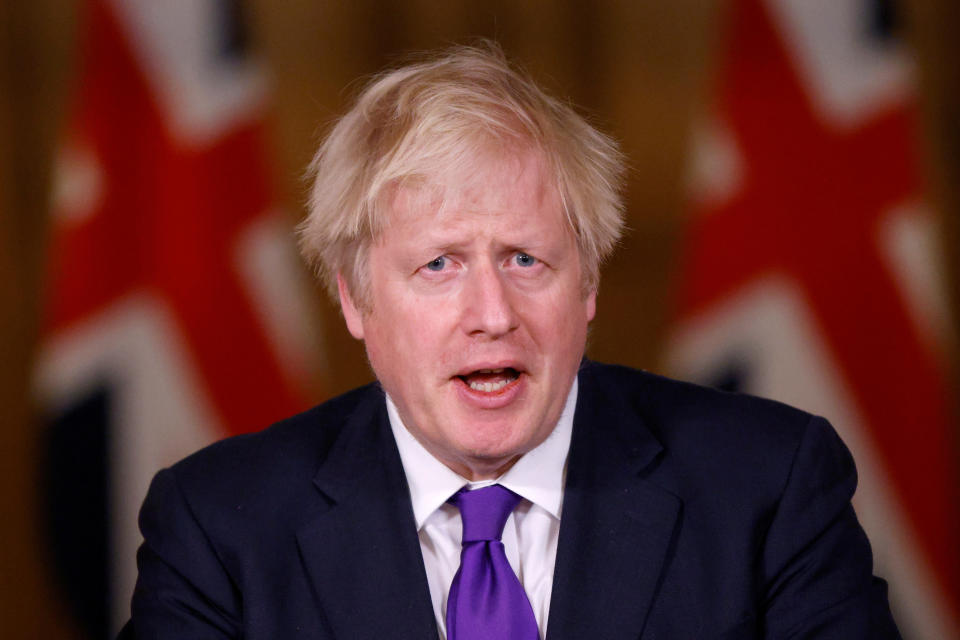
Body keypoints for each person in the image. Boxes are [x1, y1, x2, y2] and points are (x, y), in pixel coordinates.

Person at [120, 43, 901, 639]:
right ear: (354, 298)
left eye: (526, 259)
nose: (492, 313)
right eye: (438, 265)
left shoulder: (770, 488)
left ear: (588, 284)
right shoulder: (219, 526)